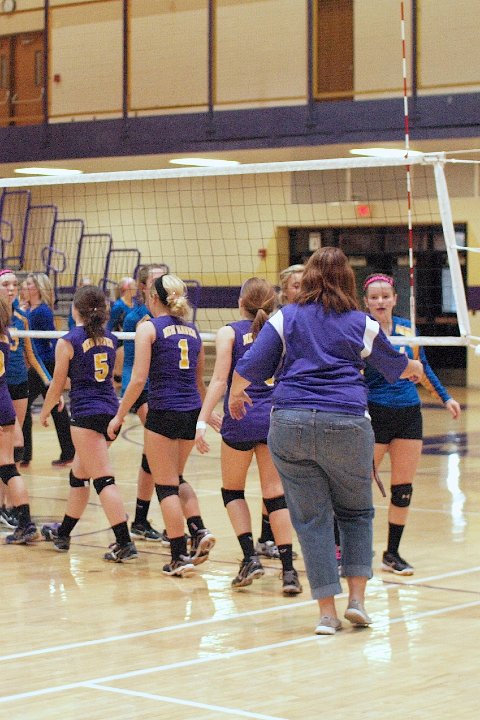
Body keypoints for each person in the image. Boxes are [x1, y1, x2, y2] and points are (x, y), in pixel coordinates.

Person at [227, 247, 423, 635]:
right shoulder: (360, 322)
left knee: (312, 520)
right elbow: (395, 366)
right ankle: (357, 601)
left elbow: (250, 365)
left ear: (309, 278)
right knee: (356, 513)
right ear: (347, 279)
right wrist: (414, 367)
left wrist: (235, 393)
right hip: (346, 422)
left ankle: (327, 615)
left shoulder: (285, 317)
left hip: (291, 423)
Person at [196, 278, 302, 595]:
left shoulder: (228, 332)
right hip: (274, 418)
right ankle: (289, 571)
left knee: (233, 491)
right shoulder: (283, 329)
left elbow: (218, 381)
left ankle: (249, 558)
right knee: (275, 495)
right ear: (273, 302)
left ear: (240, 302)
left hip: (240, 417)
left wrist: (202, 420)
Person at [107, 273, 216, 577]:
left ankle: (179, 556)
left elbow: (138, 379)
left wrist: (119, 415)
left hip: (164, 411)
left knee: (166, 485)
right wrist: (208, 414)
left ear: (153, 297)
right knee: (177, 478)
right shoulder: (193, 331)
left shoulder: (149, 328)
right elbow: (200, 383)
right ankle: (198, 528)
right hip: (190, 412)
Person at [363, 273, 461, 575]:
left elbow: (423, 367)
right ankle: (347, 549)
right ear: (366, 302)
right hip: (374, 413)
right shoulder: (362, 329)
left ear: (395, 299)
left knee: (403, 488)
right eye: (374, 297)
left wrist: (445, 397)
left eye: (385, 296)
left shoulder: (407, 328)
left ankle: (392, 554)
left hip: (408, 414)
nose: (381, 301)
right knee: (358, 487)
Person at [39, 285, 138, 563]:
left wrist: (45, 412)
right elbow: (100, 375)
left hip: (86, 416)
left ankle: (124, 542)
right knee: (79, 476)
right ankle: (63, 534)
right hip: (110, 413)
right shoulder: (111, 338)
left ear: (75, 310)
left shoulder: (68, 341)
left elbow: (57, 384)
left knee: (103, 479)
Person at [255, 263, 305, 560]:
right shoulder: (279, 321)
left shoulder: (316, 317)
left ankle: (267, 537)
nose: (303, 289)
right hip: (281, 403)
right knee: (278, 480)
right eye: (297, 285)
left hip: (304, 403)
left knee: (282, 481)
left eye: (306, 283)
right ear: (284, 291)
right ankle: (268, 537)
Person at [0, 269, 53, 529]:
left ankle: (9, 505)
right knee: (9, 446)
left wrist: (49, 382)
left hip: (18, 386)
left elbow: (31, 355)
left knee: (14, 447)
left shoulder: (22, 318)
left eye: (14, 284)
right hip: (3, 385)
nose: (11, 289)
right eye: (5, 284)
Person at [22, 272, 75, 467]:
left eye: (29, 284)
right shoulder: (29, 309)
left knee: (23, 403)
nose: (24, 286)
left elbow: (52, 338)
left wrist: (58, 368)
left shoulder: (42, 311)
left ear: (37, 288)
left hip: (43, 364)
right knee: (56, 407)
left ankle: (24, 453)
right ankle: (69, 452)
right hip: (38, 364)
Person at [0, 293, 39, 545]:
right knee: (7, 466)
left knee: (6, 466)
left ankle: (24, 523)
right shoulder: (5, 335)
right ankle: (26, 523)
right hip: (4, 403)